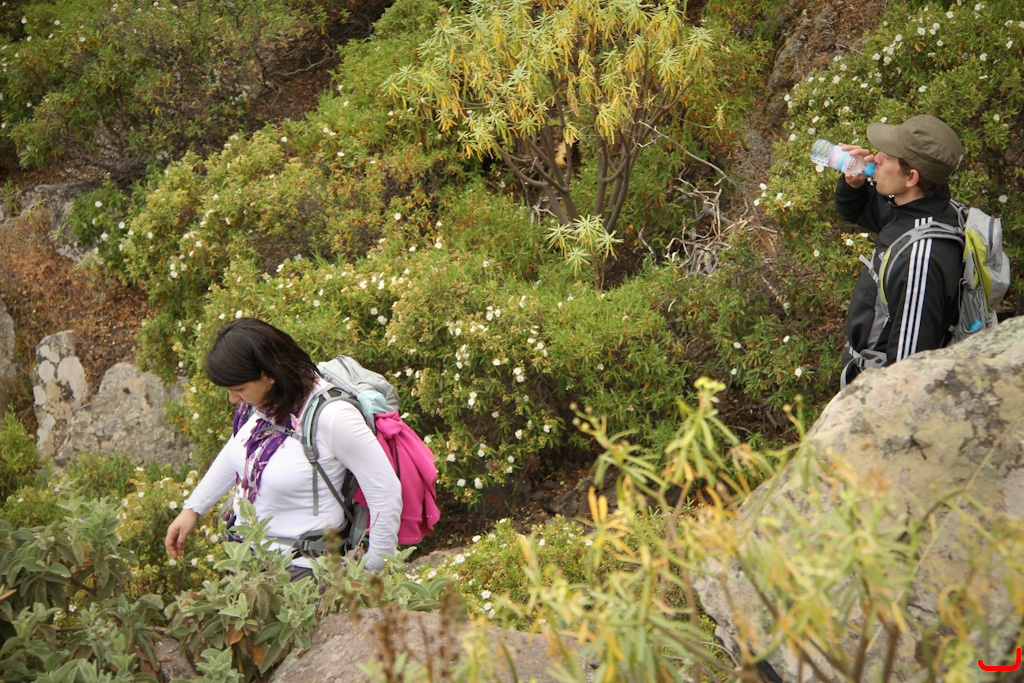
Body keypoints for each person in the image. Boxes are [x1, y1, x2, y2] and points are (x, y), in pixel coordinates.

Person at [164, 318, 402, 580]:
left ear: (268, 375)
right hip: (249, 560)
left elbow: (384, 490)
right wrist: (193, 508)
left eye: (239, 389)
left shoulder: (333, 417)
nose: (232, 399)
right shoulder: (266, 405)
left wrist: (371, 568)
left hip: (304, 574)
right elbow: (237, 452)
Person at [832, 114, 965, 387]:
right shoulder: (919, 209)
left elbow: (908, 367)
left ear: (911, 177)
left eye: (887, 156)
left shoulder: (921, 258)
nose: (875, 158)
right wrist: (855, 185)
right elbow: (859, 210)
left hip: (876, 390)